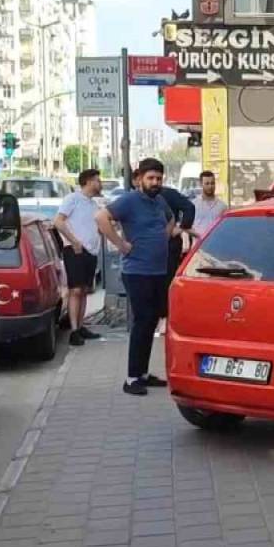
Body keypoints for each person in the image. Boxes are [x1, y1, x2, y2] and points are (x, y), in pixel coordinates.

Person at [96, 158, 174, 396]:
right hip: (137, 271)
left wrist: (164, 236)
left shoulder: (159, 201)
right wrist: (121, 244)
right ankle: (131, 379)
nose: (155, 182)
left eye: (158, 178)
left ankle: (143, 373)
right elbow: (101, 218)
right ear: (139, 179)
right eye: (150, 178)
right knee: (142, 321)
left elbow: (171, 218)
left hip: (158, 270)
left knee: (151, 321)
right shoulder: (129, 200)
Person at [54, 168, 105, 347]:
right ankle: (74, 330)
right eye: (98, 180)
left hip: (91, 252)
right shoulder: (72, 199)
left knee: (84, 290)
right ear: (89, 181)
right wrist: (74, 241)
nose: (100, 184)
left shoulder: (93, 205)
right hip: (75, 251)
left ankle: (81, 326)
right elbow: (58, 221)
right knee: (75, 290)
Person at [158, 176, 195, 336]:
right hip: (149, 246)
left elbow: (189, 207)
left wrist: (181, 228)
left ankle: (165, 316)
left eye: (156, 178)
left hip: (170, 245)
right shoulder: (137, 198)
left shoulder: (169, 194)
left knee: (167, 281)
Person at [191, 170, 227, 235]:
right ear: (201, 184)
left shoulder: (222, 206)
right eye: (207, 183)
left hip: (216, 240)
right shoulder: (193, 205)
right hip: (198, 241)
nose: (210, 186)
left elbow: (225, 227)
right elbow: (186, 227)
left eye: (212, 183)